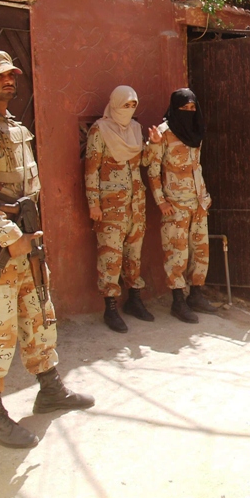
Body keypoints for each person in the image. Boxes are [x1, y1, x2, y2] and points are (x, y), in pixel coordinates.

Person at [0, 51, 93, 448]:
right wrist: (7, 234)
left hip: (26, 236)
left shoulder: (12, 126)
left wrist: (25, 234)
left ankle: (50, 388)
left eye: (12, 75)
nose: (9, 81)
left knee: (39, 313)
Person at [85, 86, 154, 332]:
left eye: (133, 105)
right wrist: (93, 203)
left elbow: (143, 162)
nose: (129, 109)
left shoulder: (136, 130)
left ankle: (134, 299)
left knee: (134, 252)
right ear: (114, 103)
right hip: (111, 204)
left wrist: (153, 146)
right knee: (110, 255)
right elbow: (91, 168)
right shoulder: (99, 130)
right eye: (125, 104)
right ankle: (110, 306)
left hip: (136, 202)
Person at [145, 88, 215, 323]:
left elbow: (198, 166)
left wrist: (204, 196)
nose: (189, 112)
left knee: (200, 250)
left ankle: (196, 294)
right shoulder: (163, 133)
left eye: (192, 108)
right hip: (175, 205)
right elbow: (153, 170)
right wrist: (161, 202)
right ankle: (178, 300)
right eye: (184, 108)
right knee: (177, 253)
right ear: (175, 109)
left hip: (198, 202)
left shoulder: (196, 130)